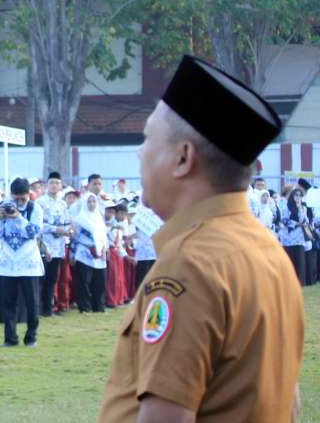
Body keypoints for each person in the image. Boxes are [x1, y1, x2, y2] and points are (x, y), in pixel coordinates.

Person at [98, 55, 304, 423]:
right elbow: (288, 402)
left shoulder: (190, 265)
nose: (138, 152)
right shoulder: (270, 252)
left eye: (147, 138)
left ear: (182, 158)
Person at [0, 178, 43, 348]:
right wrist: (0, 218)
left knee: (32, 303)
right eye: (16, 199)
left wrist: (18, 217)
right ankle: (10, 337)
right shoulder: (2, 207)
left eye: (23, 198)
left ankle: (31, 336)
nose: (19, 202)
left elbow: (33, 232)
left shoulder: (35, 208)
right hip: (8, 263)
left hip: (29, 263)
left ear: (29, 195)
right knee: (8, 303)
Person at [36, 172, 69, 316]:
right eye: (52, 182)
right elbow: (38, 225)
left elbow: (67, 223)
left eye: (57, 182)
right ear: (46, 185)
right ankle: (37, 307)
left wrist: (67, 230)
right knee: (41, 278)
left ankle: (48, 308)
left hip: (59, 245)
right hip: (45, 245)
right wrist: (56, 229)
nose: (54, 185)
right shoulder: (40, 202)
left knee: (52, 278)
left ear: (61, 185)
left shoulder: (63, 204)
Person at [72, 192, 108, 313]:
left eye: (94, 202)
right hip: (85, 252)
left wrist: (105, 249)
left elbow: (103, 236)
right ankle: (85, 307)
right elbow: (75, 236)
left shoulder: (99, 218)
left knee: (100, 280)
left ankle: (99, 306)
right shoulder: (80, 219)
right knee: (84, 281)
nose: (92, 204)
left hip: (99, 253)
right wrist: (74, 253)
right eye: (89, 202)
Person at [278, 184, 309, 285]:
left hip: (299, 238)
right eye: (296, 195)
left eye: (300, 195)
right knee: (290, 261)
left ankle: (301, 282)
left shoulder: (303, 208)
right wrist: (296, 223)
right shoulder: (286, 207)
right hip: (289, 238)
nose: (298, 197)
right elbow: (284, 220)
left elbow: (305, 221)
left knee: (300, 261)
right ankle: (289, 282)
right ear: (292, 196)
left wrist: (300, 209)